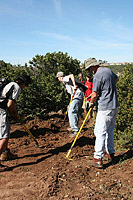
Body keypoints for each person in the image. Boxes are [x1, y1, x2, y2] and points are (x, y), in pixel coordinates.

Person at [85, 57, 119, 168]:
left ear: (93, 67)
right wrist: (107, 89)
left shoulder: (97, 76)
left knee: (99, 132)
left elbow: (94, 94)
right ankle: (110, 153)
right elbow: (116, 79)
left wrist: (91, 102)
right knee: (110, 130)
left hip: (105, 107)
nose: (89, 71)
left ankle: (97, 158)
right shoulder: (108, 70)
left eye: (89, 69)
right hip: (114, 105)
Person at [0, 74, 31, 170]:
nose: (24, 88)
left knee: (2, 132)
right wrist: (16, 115)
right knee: (5, 136)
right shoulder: (16, 87)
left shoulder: (8, 83)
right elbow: (10, 105)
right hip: (0, 110)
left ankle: (5, 153)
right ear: (24, 83)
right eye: (26, 85)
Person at [56, 71, 84, 137]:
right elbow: (71, 94)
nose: (58, 79)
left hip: (77, 96)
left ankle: (75, 130)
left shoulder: (64, 78)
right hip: (76, 96)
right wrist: (70, 104)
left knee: (72, 111)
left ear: (60, 77)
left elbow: (71, 75)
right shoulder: (65, 82)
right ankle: (74, 127)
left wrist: (74, 85)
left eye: (58, 78)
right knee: (73, 111)